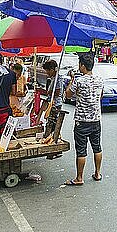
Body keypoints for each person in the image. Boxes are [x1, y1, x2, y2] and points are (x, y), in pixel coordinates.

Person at [64, 53, 104, 186]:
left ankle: (79, 178)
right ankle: (97, 173)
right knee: (97, 148)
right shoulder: (100, 80)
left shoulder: (79, 81)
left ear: (82, 65)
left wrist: (71, 80)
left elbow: (68, 95)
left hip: (82, 121)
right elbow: (100, 96)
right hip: (96, 119)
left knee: (81, 150)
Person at [39, 59, 64, 138]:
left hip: (55, 104)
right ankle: (50, 137)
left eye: (47, 71)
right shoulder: (53, 78)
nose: (47, 73)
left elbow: (57, 92)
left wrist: (49, 92)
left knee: (52, 123)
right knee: (50, 122)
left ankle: (53, 138)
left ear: (52, 70)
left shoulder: (58, 79)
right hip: (52, 102)